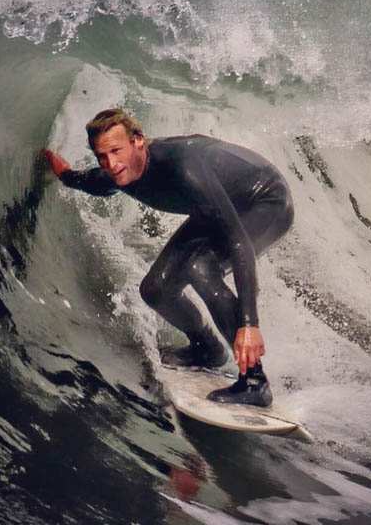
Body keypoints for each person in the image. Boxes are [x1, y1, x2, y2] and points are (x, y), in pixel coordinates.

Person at [42, 108, 293, 406]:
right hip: (214, 207)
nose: (111, 163)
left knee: (200, 268)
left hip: (265, 199)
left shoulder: (183, 168)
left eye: (116, 151)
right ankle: (207, 349)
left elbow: (239, 244)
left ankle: (255, 381)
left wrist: (249, 324)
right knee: (156, 289)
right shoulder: (116, 173)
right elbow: (80, 180)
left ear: (138, 141)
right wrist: (51, 164)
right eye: (102, 156)